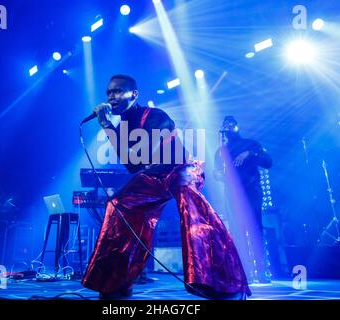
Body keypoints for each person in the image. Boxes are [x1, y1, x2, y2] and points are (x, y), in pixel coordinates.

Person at [81, 75, 250, 299]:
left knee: (189, 203)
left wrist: (108, 126)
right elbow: (134, 166)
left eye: (118, 91)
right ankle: (116, 283)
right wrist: (108, 126)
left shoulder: (155, 116)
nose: (111, 97)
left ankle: (220, 282)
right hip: (155, 175)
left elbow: (141, 157)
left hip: (181, 168)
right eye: (109, 93)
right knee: (119, 204)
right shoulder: (122, 125)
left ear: (134, 94)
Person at [214, 116, 272, 283]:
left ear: (237, 127)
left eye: (231, 124)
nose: (228, 127)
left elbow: (268, 162)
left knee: (255, 227)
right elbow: (217, 171)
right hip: (232, 194)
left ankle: (262, 270)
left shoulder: (251, 144)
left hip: (251, 190)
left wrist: (250, 154)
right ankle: (244, 271)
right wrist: (216, 174)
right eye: (225, 125)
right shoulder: (221, 150)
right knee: (237, 231)